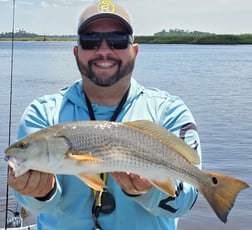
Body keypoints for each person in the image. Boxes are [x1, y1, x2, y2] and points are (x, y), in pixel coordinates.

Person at [8, 0, 201, 229]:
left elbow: (186, 200)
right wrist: (39, 193)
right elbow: (36, 206)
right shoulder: (42, 113)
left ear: (135, 51)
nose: (104, 50)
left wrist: (149, 192)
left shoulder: (169, 111)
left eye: (118, 40)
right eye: (90, 41)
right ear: (76, 52)